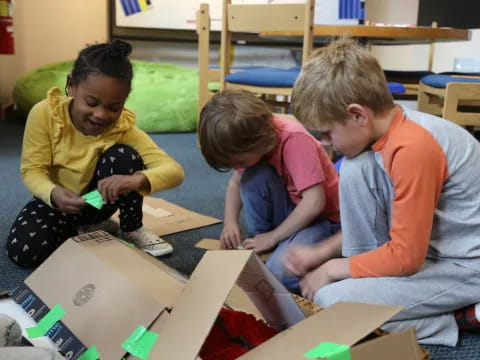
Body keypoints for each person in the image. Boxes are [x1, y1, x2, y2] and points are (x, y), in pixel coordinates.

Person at [285, 38, 480, 345]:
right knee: (354, 167)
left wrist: (334, 268)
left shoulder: (412, 148)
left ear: (358, 115)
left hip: (466, 266)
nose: (324, 142)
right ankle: (390, 297)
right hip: (426, 252)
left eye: (326, 132)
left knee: (330, 303)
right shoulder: (385, 136)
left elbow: (406, 257)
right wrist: (330, 259)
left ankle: (459, 316)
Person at [6, 40, 184, 268]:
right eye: (91, 102)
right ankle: (90, 230)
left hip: (96, 200)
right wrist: (52, 193)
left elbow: (174, 171)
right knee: (23, 252)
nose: (101, 115)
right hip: (57, 201)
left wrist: (136, 179)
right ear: (71, 85)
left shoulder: (122, 128)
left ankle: (130, 228)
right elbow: (32, 170)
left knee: (124, 157)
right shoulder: (45, 114)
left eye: (113, 107)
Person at [198, 89, 340, 291]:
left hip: (325, 221)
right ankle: (266, 242)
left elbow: (315, 203)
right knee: (252, 175)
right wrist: (230, 223)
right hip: (293, 209)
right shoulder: (252, 135)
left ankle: (324, 264)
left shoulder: (295, 141)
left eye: (239, 161)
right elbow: (235, 183)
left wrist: (273, 237)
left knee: (278, 275)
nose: (236, 166)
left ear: (259, 142)